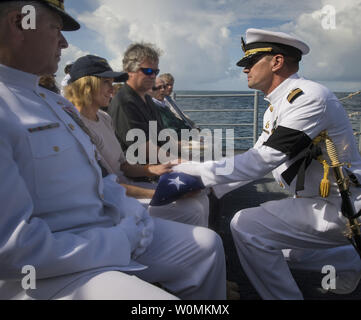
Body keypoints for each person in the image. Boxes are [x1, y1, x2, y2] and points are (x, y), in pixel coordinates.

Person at [0, 0, 226, 300]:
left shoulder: (55, 104)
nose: (65, 42)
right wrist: (120, 238)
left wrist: (135, 218)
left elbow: (102, 179)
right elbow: (13, 250)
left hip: (106, 228)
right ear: (20, 23)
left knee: (207, 247)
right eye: (56, 28)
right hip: (49, 267)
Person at [173, 28, 361, 299]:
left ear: (276, 62)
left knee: (247, 227)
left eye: (250, 63)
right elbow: (254, 158)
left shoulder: (308, 98)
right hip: (314, 203)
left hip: (342, 206)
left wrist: (193, 173)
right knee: (277, 248)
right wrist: (212, 188)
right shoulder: (277, 107)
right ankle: (348, 259)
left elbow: (263, 160)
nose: (245, 70)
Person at [64, 54, 209, 227]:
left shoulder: (103, 118)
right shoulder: (75, 125)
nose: (112, 89)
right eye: (106, 83)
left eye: (112, 83)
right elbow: (101, 186)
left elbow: (123, 166)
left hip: (127, 184)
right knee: (191, 210)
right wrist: (156, 193)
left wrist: (154, 169)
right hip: (112, 198)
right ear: (87, 85)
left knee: (200, 194)